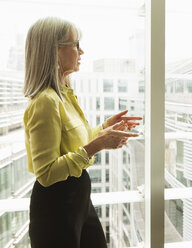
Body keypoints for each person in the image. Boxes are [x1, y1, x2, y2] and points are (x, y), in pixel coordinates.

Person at [23, 17, 142, 248]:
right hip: (56, 207)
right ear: (55, 51)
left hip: (77, 199)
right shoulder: (45, 102)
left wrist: (105, 129)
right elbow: (46, 173)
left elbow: (73, 143)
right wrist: (98, 144)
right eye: (76, 45)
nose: (82, 51)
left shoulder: (64, 93)